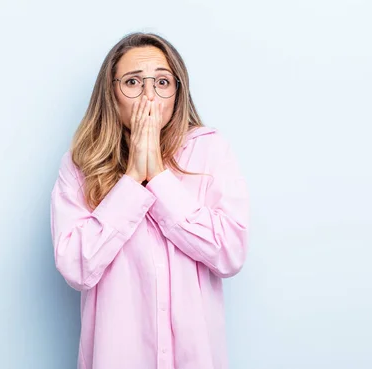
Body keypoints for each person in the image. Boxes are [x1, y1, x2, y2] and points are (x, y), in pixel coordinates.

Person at [50, 32, 250, 369]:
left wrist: (157, 175)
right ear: (111, 94)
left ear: (177, 92)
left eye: (161, 82)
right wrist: (131, 180)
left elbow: (229, 253)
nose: (149, 96)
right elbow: (76, 267)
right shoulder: (80, 164)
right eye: (132, 82)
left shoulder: (211, 151)